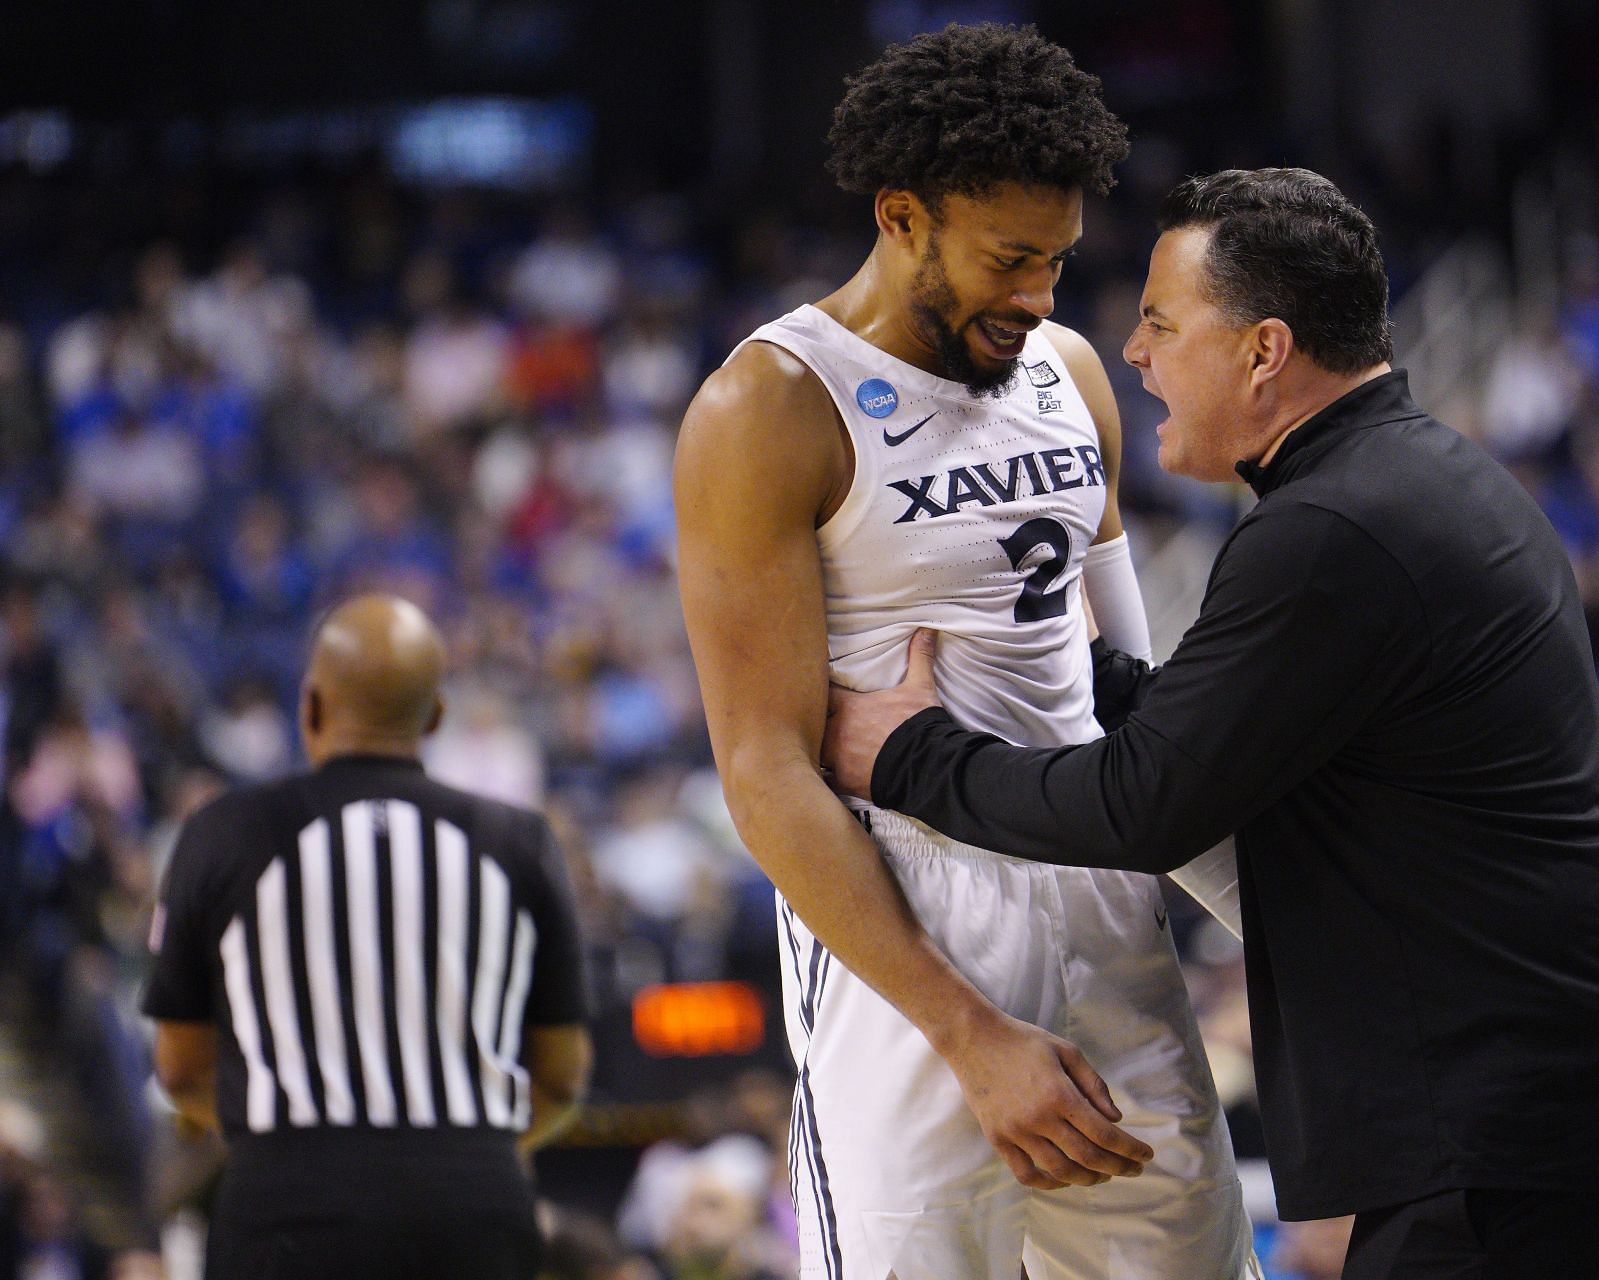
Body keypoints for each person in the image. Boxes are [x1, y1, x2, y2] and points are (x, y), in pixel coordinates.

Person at [823, 168, 1599, 1279]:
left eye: (1161, 322)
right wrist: (1058, 664)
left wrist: (912, 752)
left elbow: (1147, 803)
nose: (1137, 354)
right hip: (1570, 1118)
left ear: (1263, 350)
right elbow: (1218, 727)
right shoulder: (1417, 478)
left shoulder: (1331, 530)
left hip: (1518, 1142)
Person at [673, 23, 1258, 1280]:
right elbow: (765, 767)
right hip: (910, 963)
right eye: (1008, 260)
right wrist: (969, 1031)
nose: (1039, 296)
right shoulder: (770, 405)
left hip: (1108, 929)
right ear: (902, 216)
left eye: (1055, 258)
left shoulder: (1072, 372)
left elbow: (1129, 695)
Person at [142, 594, 592, 1280]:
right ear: (435, 716)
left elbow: (178, 1067)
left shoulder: (221, 835)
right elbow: (561, 1077)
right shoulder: (520, 844)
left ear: (310, 706)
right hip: (473, 1206)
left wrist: (281, 1140)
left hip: (286, 1210)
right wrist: (470, 1148)